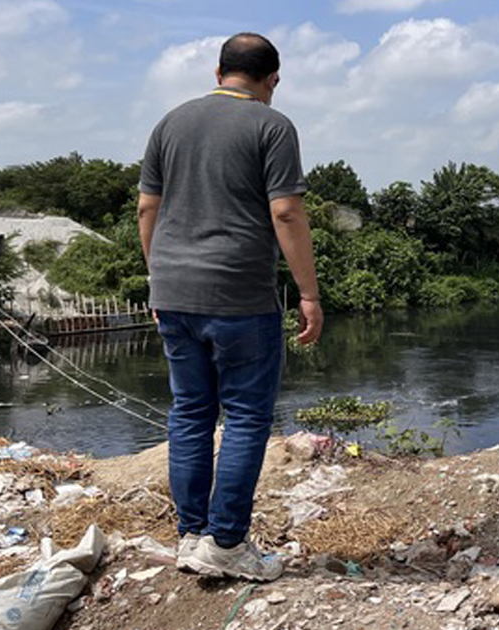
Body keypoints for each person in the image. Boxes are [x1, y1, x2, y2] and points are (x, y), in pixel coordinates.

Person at [137, 32, 323, 582]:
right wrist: (308, 294)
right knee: (244, 418)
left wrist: (158, 278)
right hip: (241, 296)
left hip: (173, 293)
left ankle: (192, 536)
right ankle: (226, 543)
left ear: (219, 72)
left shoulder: (170, 122)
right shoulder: (272, 125)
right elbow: (286, 213)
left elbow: (148, 207)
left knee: (190, 413)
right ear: (272, 80)